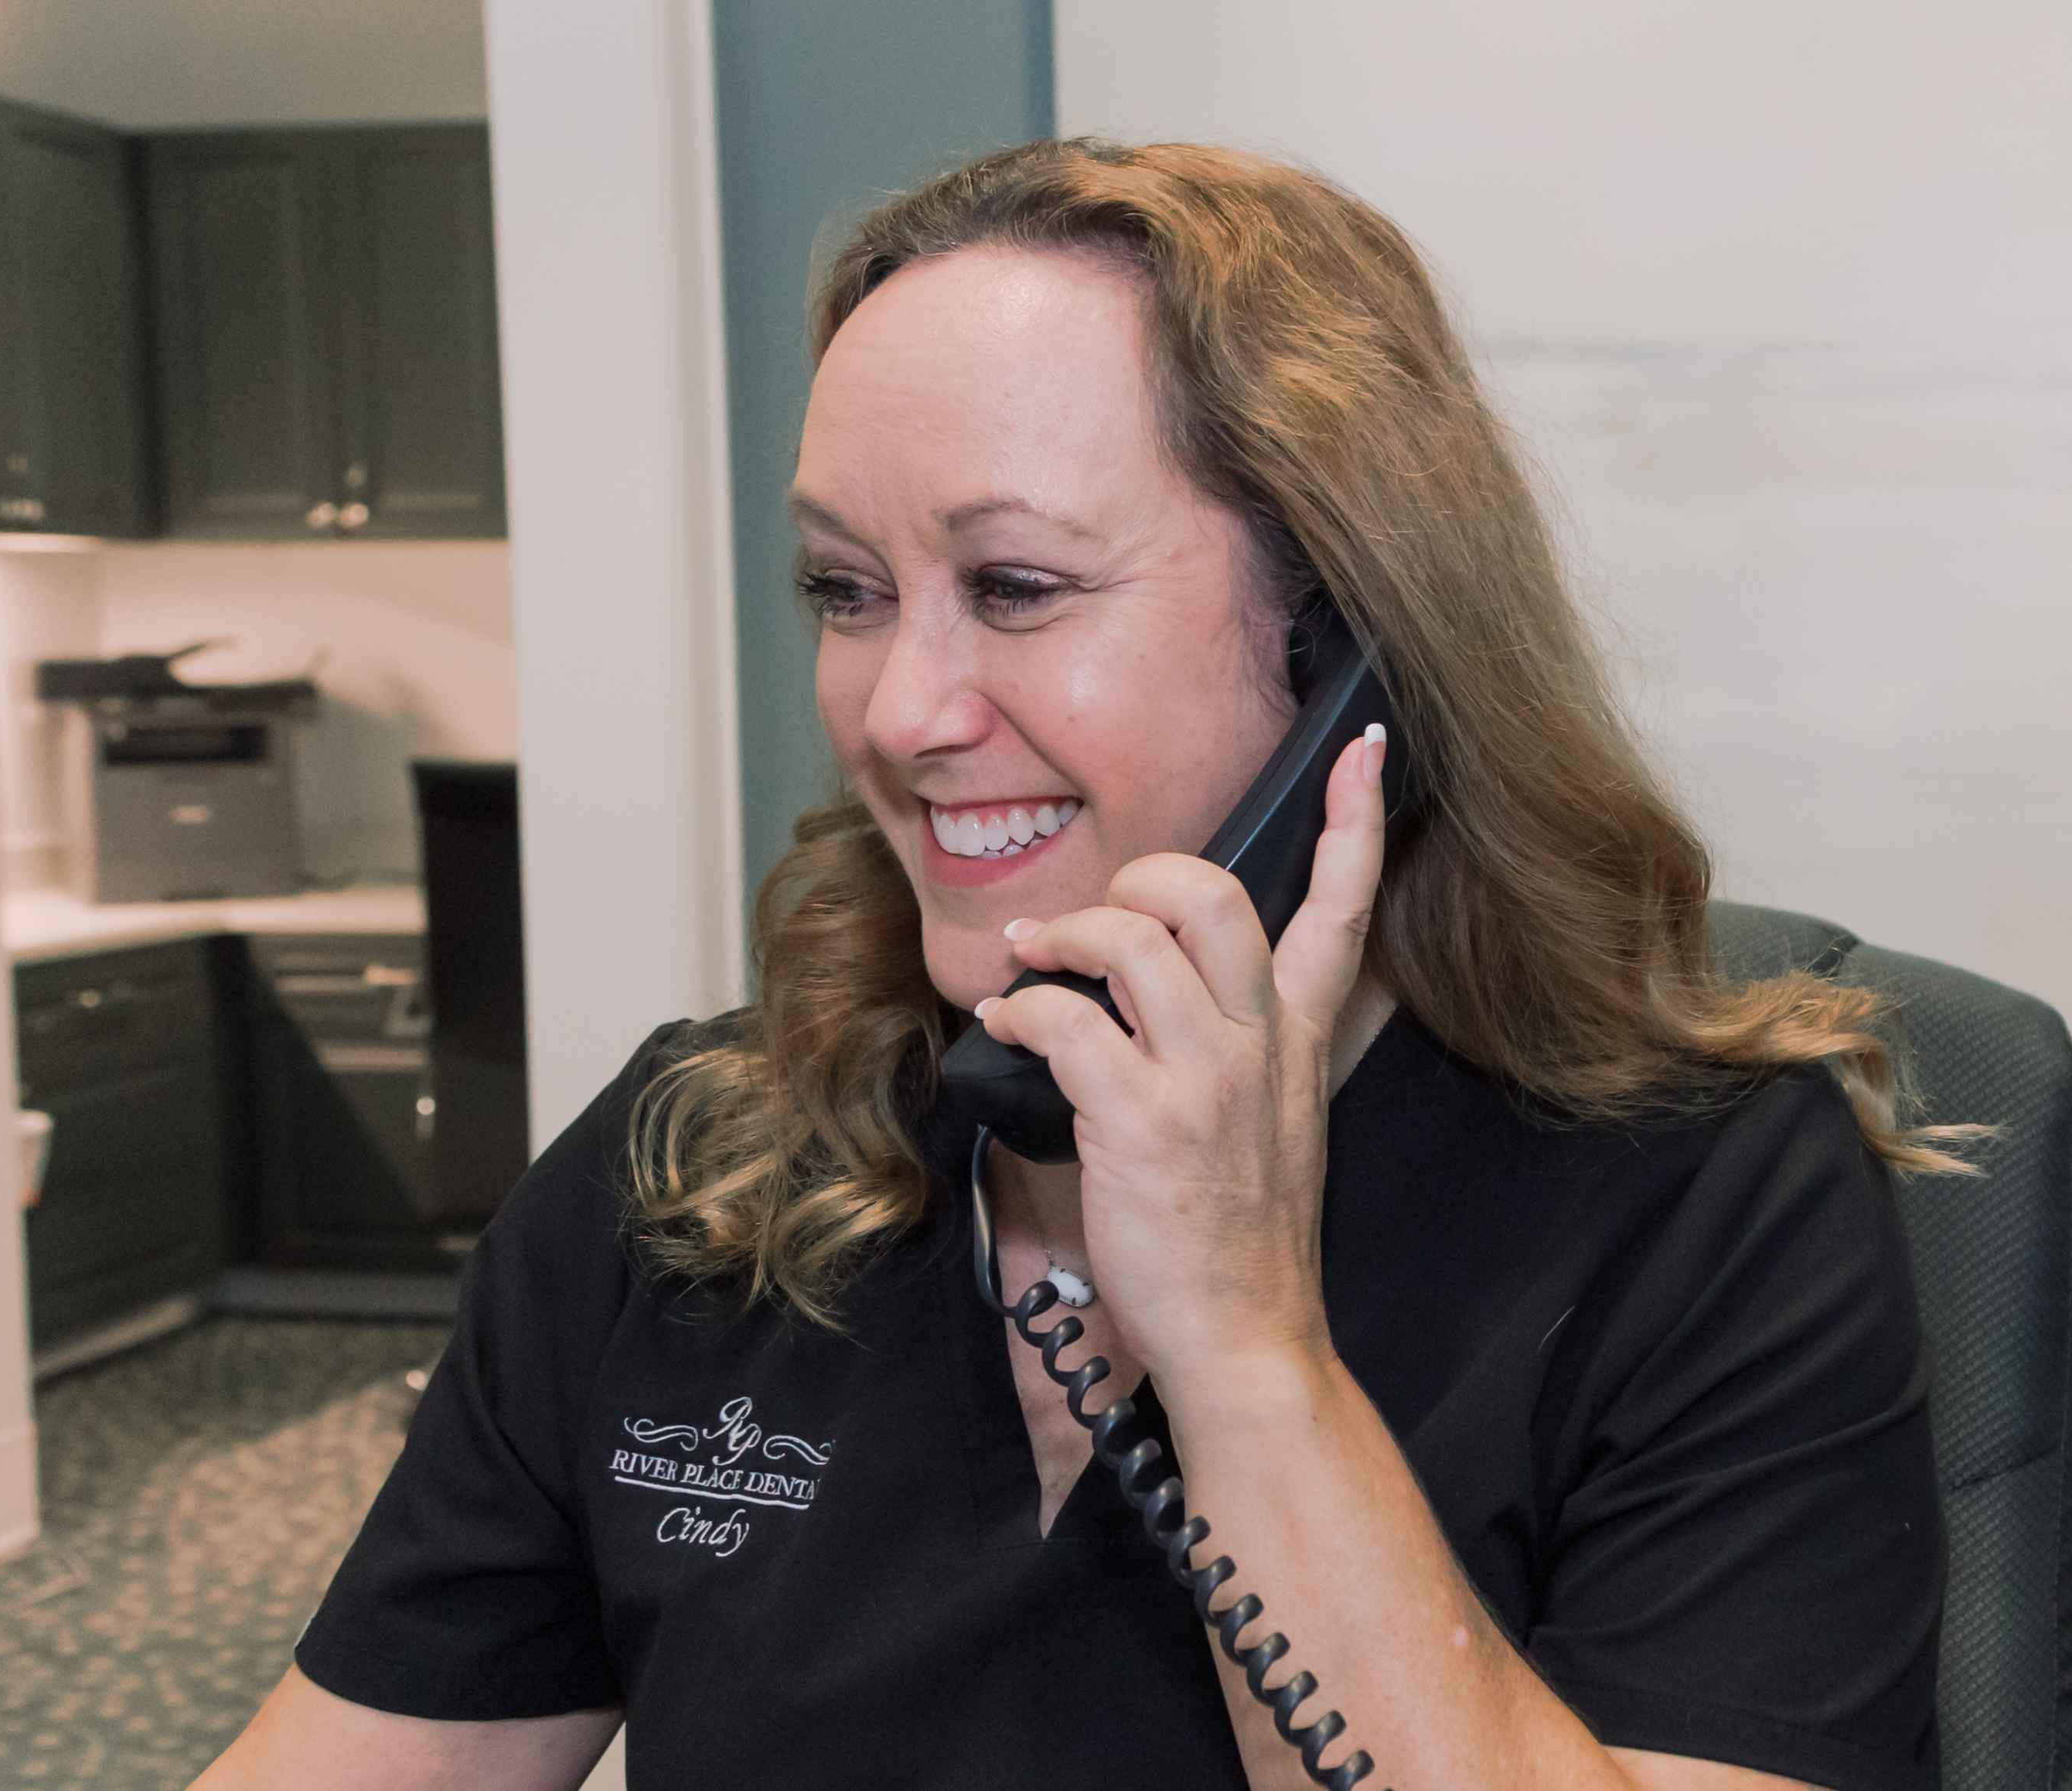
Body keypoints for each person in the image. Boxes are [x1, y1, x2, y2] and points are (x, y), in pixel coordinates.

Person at [195, 138, 1975, 1791]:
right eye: (847, 590)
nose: (899, 713)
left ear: (1352, 643)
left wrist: (1243, 1346)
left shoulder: (1713, 1207)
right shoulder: (708, 1159)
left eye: (1020, 587)